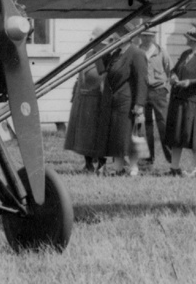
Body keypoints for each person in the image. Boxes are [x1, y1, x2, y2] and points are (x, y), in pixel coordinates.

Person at [164, 21, 196, 176]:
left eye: (188, 36)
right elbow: (175, 70)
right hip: (179, 100)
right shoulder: (186, 54)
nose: (186, 38)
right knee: (176, 135)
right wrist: (173, 76)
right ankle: (174, 168)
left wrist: (190, 83)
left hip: (194, 102)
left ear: (195, 39)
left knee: (194, 137)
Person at [102, 27, 149, 176]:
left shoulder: (137, 53)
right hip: (114, 101)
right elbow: (102, 68)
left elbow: (142, 80)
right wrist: (105, 47)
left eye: (115, 38)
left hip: (128, 102)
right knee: (117, 136)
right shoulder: (115, 54)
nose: (114, 41)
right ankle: (118, 168)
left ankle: (133, 167)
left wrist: (139, 104)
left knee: (129, 136)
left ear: (126, 37)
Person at [64, 44, 109, 173]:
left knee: (100, 135)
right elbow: (81, 76)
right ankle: (88, 164)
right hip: (85, 99)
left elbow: (106, 77)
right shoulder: (89, 55)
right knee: (85, 135)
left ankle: (102, 164)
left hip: (99, 100)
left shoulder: (107, 55)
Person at [137, 26, 173, 169]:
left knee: (163, 124)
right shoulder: (137, 52)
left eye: (150, 35)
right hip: (142, 92)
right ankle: (147, 159)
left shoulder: (161, 52)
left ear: (154, 37)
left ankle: (171, 159)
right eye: (144, 35)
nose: (147, 38)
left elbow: (171, 72)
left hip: (159, 91)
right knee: (144, 127)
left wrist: (166, 88)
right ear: (140, 37)